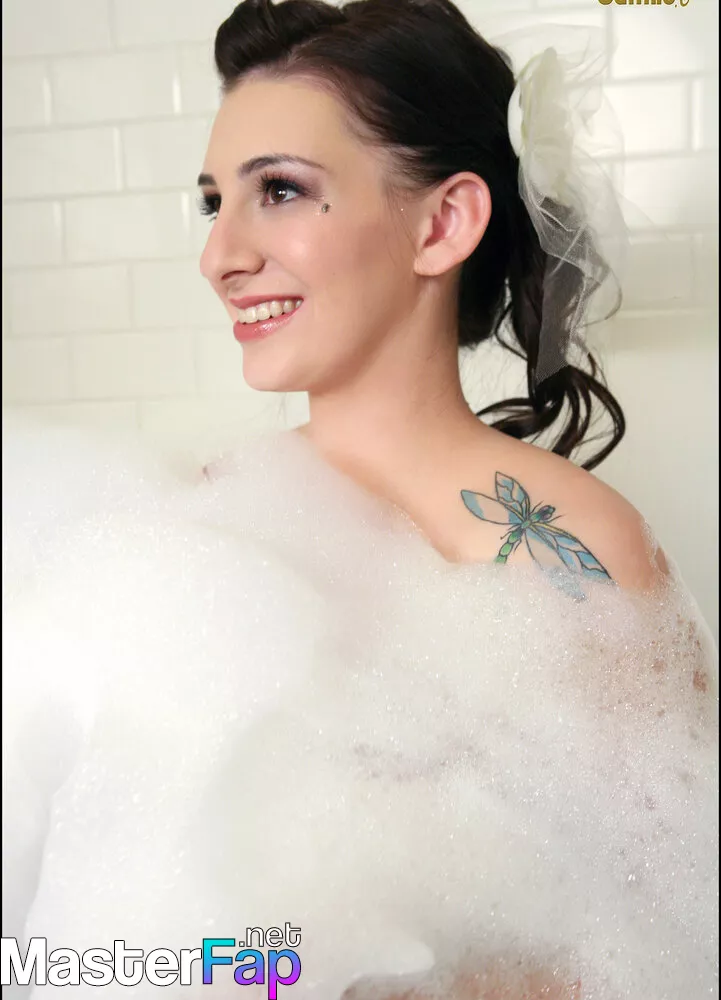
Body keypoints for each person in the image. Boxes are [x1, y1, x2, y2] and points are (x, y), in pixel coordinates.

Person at [2, 1, 717, 998]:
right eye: (215, 203)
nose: (220, 255)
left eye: (280, 191)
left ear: (443, 223)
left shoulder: (584, 553)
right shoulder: (189, 530)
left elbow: (654, 934)